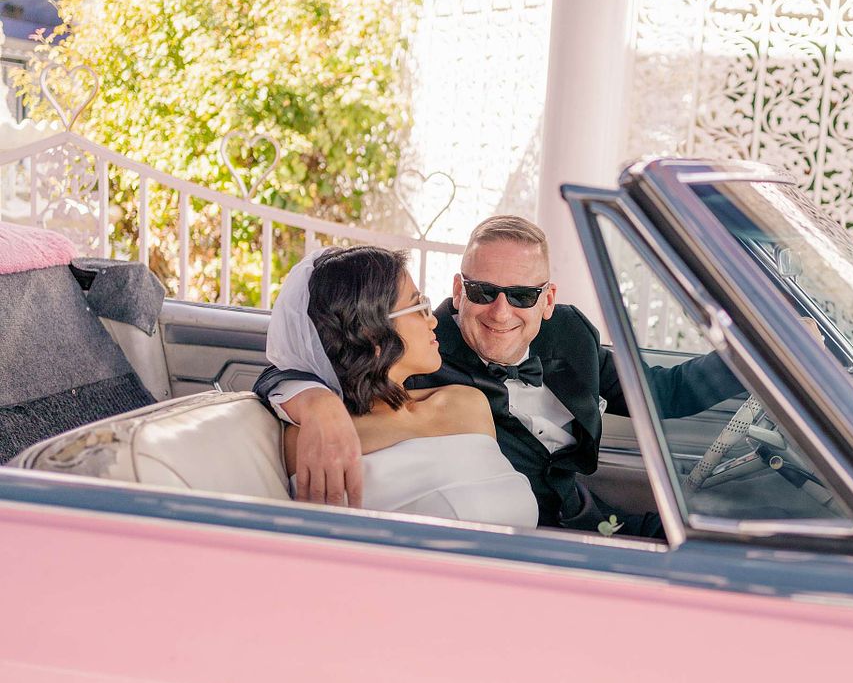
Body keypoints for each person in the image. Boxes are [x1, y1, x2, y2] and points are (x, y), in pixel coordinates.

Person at [255, 215, 743, 537]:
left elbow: (663, 393)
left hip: (585, 518)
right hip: (523, 543)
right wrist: (312, 401)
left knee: (737, 539)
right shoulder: (420, 349)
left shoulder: (570, 335)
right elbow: (304, 357)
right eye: (484, 290)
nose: (501, 311)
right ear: (459, 290)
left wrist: (750, 355)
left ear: (548, 300)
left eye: (523, 296)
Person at [268, 244, 537, 527]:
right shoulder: (324, 440)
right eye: (418, 307)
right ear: (372, 333)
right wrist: (315, 403)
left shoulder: (467, 402)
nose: (433, 319)